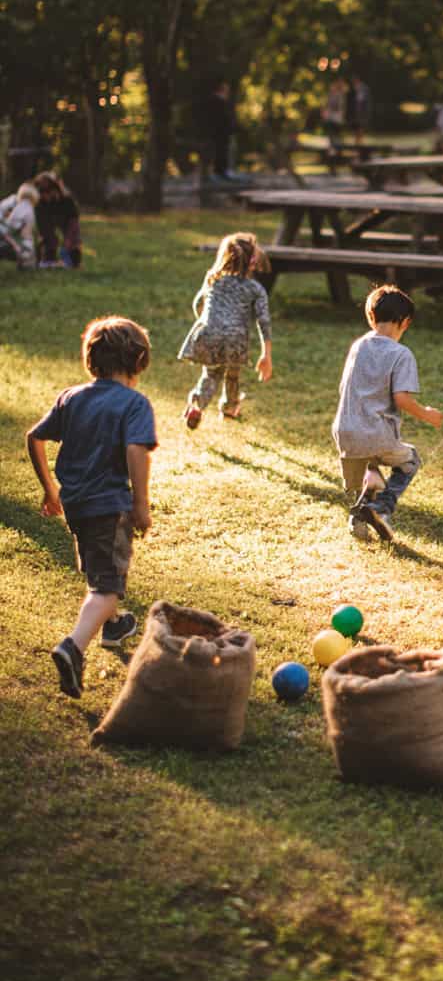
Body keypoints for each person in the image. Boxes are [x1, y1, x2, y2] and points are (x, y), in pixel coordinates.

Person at [26, 316, 157, 699]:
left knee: (99, 570)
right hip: (108, 506)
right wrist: (140, 503)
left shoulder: (72, 397)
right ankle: (74, 646)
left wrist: (50, 489)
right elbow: (136, 450)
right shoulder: (134, 403)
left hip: (76, 505)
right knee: (108, 586)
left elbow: (34, 437)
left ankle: (113, 626)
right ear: (139, 361)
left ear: (91, 360)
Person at [332, 284, 443, 543]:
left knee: (372, 472)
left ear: (371, 317)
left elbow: (343, 387)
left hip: (345, 432)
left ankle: (358, 519)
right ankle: (380, 508)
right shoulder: (400, 354)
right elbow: (401, 398)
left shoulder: (358, 346)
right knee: (410, 461)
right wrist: (427, 414)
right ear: (405, 322)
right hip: (376, 433)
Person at [179, 231, 272, 428]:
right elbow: (264, 321)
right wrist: (266, 354)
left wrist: (208, 321)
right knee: (232, 374)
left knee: (211, 374)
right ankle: (230, 409)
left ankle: (197, 406)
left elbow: (198, 304)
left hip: (209, 331)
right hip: (235, 338)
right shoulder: (255, 288)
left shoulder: (213, 278)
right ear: (252, 262)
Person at [33, 171, 82, 268]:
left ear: (55, 189)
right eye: (41, 193)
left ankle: (74, 261)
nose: (44, 196)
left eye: (47, 192)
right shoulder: (39, 204)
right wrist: (49, 239)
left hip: (67, 219)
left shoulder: (67, 200)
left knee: (71, 241)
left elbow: (73, 221)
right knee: (48, 240)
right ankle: (48, 259)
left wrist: (68, 241)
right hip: (48, 219)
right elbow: (43, 227)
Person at [0, 181, 39, 269]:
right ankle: (27, 263)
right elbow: (25, 233)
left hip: (7, 236)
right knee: (27, 247)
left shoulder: (14, 202)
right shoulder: (28, 209)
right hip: (10, 240)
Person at [208, 80, 237, 179]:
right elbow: (221, 119)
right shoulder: (217, 101)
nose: (228, 91)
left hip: (223, 133)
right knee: (220, 152)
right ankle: (220, 172)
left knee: (223, 152)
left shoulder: (222, 101)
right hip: (220, 133)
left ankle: (222, 171)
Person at [347, 75, 372, 144]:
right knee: (356, 127)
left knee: (360, 127)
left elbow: (365, 100)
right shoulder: (353, 88)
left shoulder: (364, 88)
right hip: (356, 111)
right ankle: (357, 142)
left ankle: (359, 142)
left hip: (362, 111)